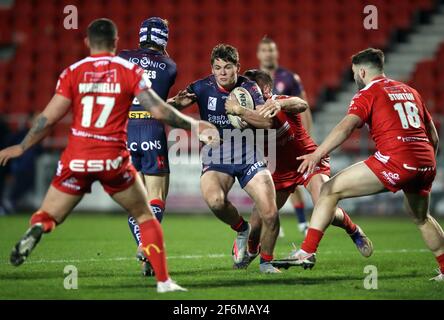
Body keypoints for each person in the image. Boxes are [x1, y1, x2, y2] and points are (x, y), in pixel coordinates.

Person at [0, 18, 218, 292]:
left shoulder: (73, 72)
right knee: (146, 212)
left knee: (49, 213)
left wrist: (21, 147)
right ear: (115, 43)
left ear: (87, 42)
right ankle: (162, 280)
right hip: (117, 152)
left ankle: (39, 227)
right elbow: (161, 110)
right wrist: (194, 125)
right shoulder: (139, 69)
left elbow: (48, 118)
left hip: (78, 154)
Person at [284, 48, 443, 282]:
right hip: (426, 162)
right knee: (421, 217)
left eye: (354, 74)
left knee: (329, 190)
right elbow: (433, 136)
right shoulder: (410, 91)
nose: (355, 79)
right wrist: (425, 164)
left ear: (362, 71)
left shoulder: (368, 93)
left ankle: (306, 252)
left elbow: (346, 128)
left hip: (396, 159)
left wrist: (317, 154)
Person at [225, 69, 372, 269]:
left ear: (266, 89)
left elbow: (301, 104)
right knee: (257, 222)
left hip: (307, 160)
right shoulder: (246, 115)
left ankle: (353, 230)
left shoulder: (280, 101)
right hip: (278, 170)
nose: (248, 93)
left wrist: (280, 103)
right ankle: (251, 251)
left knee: (323, 204)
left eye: (252, 89)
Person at [168, 44, 282, 273]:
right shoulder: (201, 87)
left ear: (237, 68)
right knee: (216, 202)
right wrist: (177, 108)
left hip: (249, 153)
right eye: (217, 67)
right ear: (212, 69)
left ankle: (266, 262)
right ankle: (242, 229)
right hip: (216, 153)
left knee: (270, 213)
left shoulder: (250, 88)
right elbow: (168, 111)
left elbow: (267, 122)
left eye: (228, 67)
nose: (222, 72)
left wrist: (240, 110)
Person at [118, 17, 176, 276]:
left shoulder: (122, 57)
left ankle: (146, 259)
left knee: (135, 202)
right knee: (157, 197)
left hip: (126, 130)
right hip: (152, 128)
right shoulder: (170, 66)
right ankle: (146, 244)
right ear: (164, 39)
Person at [257, 36, 312, 235]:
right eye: (264, 50)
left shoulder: (289, 78)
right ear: (259, 54)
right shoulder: (253, 81)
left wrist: (307, 136)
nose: (268, 54)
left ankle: (302, 222)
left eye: (271, 50)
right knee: (270, 181)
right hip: (266, 141)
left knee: (294, 180)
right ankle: (273, 219)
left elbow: (303, 107)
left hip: (288, 138)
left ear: (276, 53)